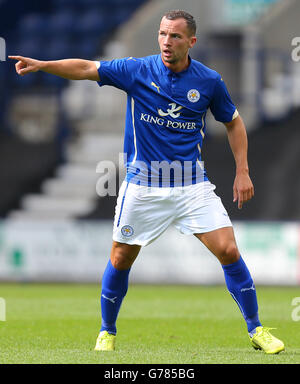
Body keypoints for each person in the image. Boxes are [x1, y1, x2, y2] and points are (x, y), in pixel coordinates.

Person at [10, 10, 284, 355]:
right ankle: (106, 331)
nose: (166, 42)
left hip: (191, 185)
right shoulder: (138, 70)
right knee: (121, 257)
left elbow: (234, 122)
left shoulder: (209, 81)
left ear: (191, 42)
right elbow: (86, 68)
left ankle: (256, 328)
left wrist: (242, 170)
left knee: (229, 249)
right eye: (162, 34)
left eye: (175, 36)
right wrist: (43, 65)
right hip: (144, 185)